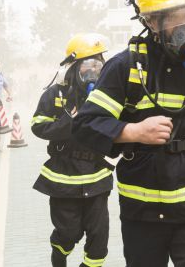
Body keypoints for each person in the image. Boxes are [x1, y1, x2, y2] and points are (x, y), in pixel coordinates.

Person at [72, 0, 185, 267]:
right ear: (151, 22)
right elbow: (86, 124)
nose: (184, 25)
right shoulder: (126, 67)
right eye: (174, 17)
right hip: (144, 207)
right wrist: (133, 130)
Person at [31, 34, 113, 267]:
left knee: (99, 240)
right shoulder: (55, 94)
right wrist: (68, 121)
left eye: (98, 65)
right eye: (87, 66)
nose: (93, 72)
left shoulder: (105, 95)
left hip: (97, 175)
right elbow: (38, 126)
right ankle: (59, 255)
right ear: (74, 67)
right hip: (63, 176)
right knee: (68, 233)